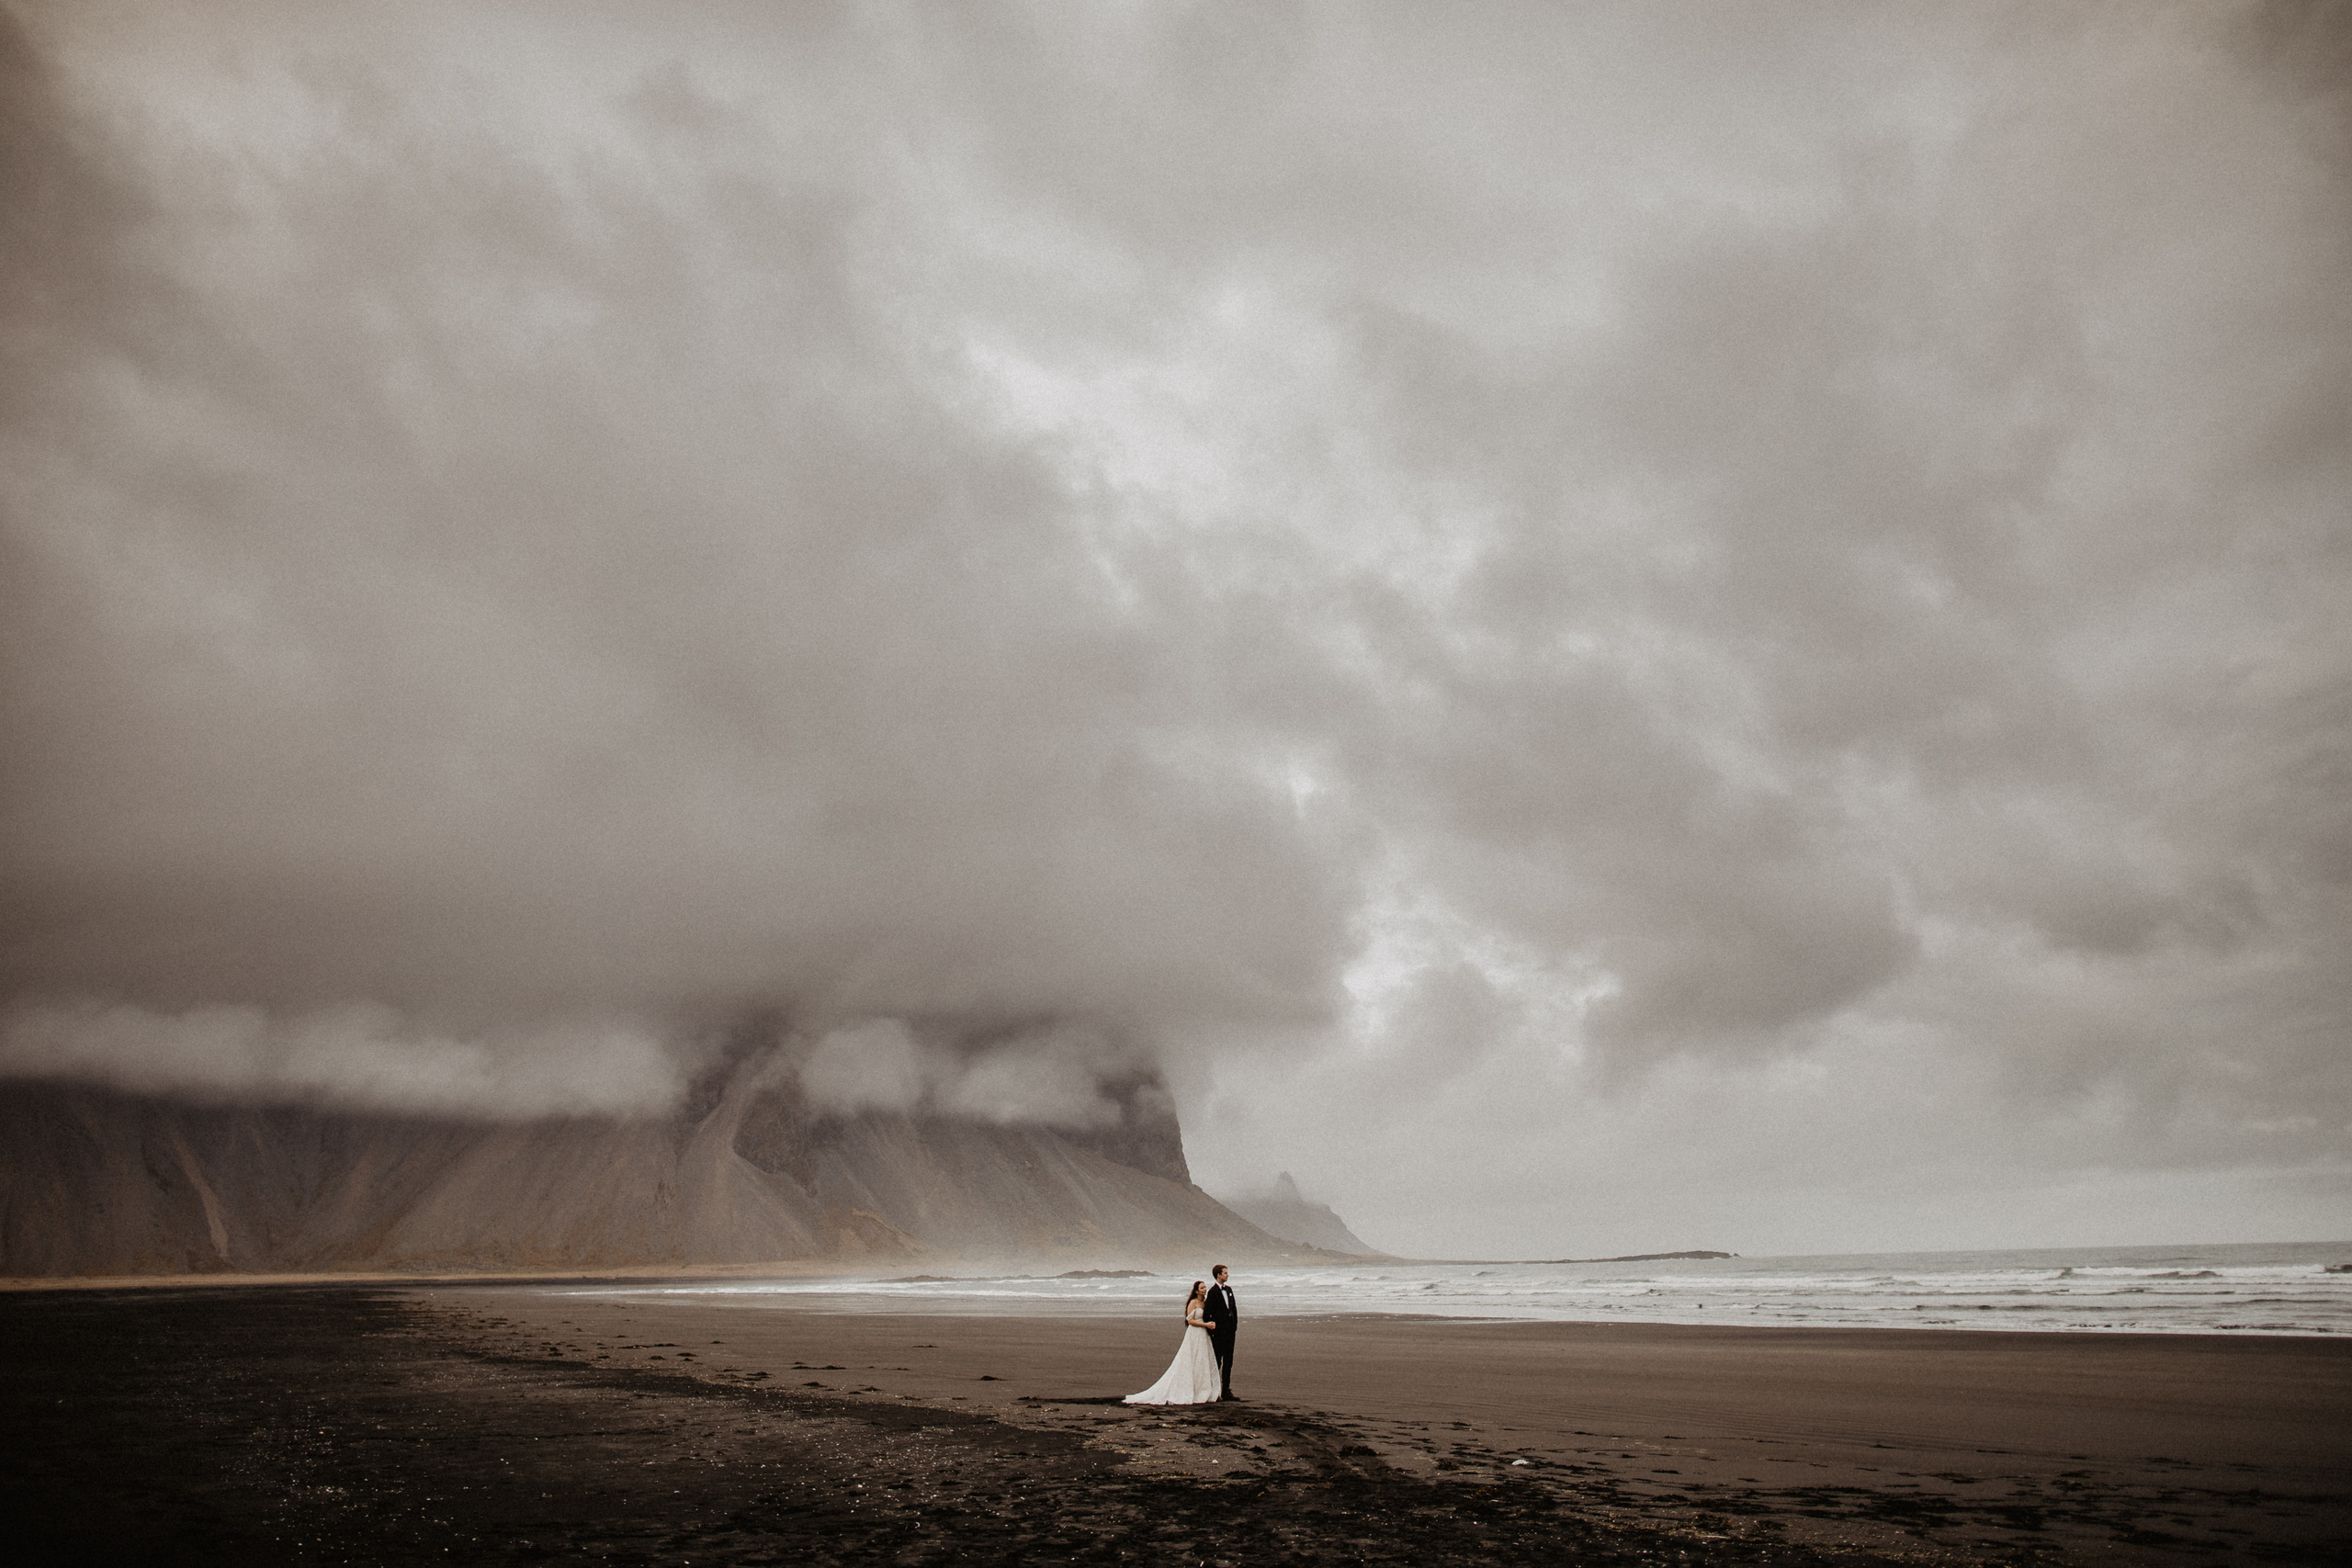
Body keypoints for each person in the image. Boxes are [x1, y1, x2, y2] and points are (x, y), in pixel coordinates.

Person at [1123, 1280, 1223, 1404]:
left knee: (1202, 1359)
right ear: (1196, 1291)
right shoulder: (1193, 1302)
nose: (1204, 1289)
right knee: (1191, 1358)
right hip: (1195, 1332)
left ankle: (1203, 1388)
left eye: (1205, 1287)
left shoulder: (1205, 1302)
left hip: (1204, 1334)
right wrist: (1205, 1324)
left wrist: (1211, 1324)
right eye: (1202, 1288)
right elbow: (1190, 1321)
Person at [1203, 1264, 1238, 1401]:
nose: (1227, 1275)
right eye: (1225, 1273)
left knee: (1229, 1361)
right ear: (1218, 1275)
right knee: (1217, 1361)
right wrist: (1212, 1330)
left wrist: (1234, 1326)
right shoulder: (1212, 1292)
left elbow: (1233, 1309)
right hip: (1218, 1333)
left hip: (1230, 1332)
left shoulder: (1229, 1289)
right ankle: (1214, 1390)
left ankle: (1226, 1390)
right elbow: (1207, 1314)